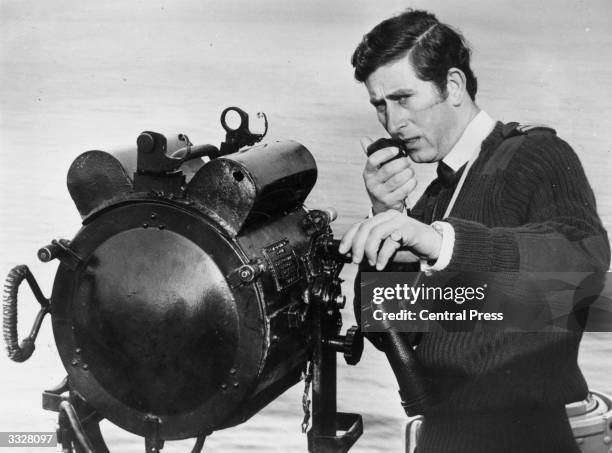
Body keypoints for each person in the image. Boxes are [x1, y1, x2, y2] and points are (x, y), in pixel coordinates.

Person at [338, 9, 610, 453]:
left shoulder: (537, 154)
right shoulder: (437, 197)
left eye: (404, 98)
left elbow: (585, 264)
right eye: (379, 105)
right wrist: (384, 214)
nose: (392, 123)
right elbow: (385, 324)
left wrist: (443, 244)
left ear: (454, 86)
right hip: (443, 435)